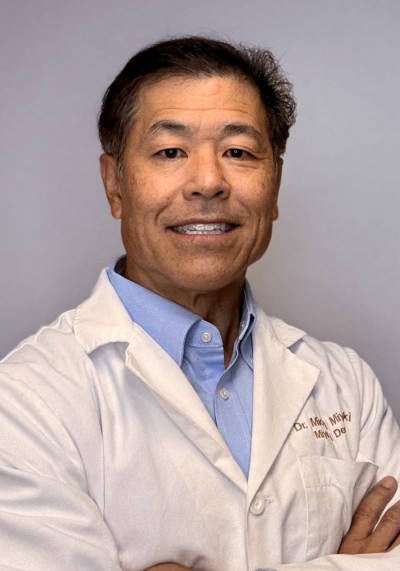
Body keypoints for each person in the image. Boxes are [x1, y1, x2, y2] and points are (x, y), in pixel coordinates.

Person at [0, 36, 399, 571]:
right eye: (170, 152)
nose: (208, 182)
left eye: (238, 152)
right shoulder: (25, 403)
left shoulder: (346, 382)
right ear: (115, 184)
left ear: (275, 186)